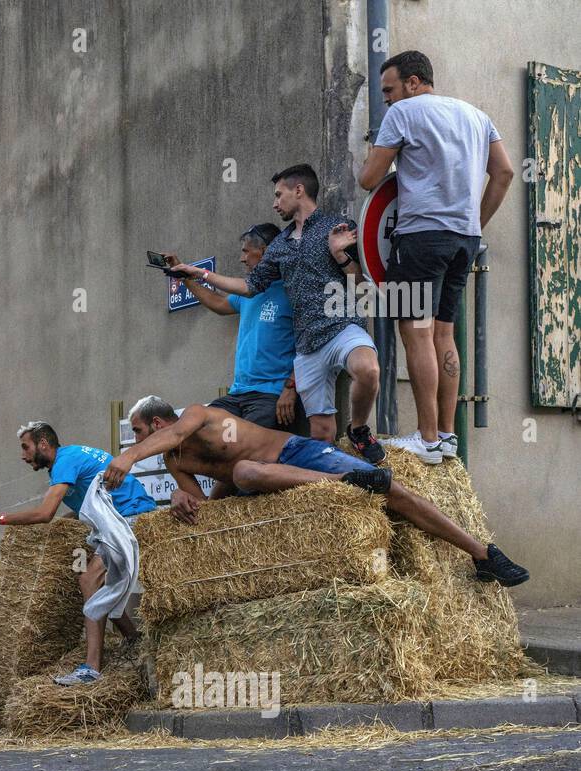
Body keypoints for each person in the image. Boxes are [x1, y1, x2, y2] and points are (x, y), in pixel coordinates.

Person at [104, 396, 527, 587]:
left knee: (395, 493)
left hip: (296, 453)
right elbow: (207, 507)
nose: (135, 442)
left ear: (157, 425)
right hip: (263, 479)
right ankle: (348, 485)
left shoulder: (195, 416)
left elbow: (177, 432)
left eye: (138, 433)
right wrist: (182, 499)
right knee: (246, 471)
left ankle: (483, 555)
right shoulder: (175, 461)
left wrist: (126, 460)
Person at [359, 49, 515, 464]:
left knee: (417, 332)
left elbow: (368, 179)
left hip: (420, 238)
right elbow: (504, 172)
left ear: (413, 82)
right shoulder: (477, 116)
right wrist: (475, 221)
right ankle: (446, 436)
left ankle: (426, 440)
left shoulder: (403, 114)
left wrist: (378, 151)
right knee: (444, 333)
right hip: (464, 240)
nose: (387, 100)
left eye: (389, 90)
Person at [172, 164, 386, 464]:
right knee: (321, 434)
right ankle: (329, 487)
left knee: (368, 369)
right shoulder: (279, 246)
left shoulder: (338, 227)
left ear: (299, 190)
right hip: (307, 345)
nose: (275, 204)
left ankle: (359, 429)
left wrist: (342, 256)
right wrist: (199, 273)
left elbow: (363, 290)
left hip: (342, 327)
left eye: (278, 195)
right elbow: (248, 287)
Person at [0, 421, 157, 685]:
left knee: (88, 579)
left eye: (25, 447)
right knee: (103, 584)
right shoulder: (68, 461)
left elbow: (44, 513)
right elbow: (82, 507)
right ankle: (133, 641)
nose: (23, 455)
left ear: (43, 444)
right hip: (122, 519)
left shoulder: (65, 461)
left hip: (131, 517)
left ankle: (91, 668)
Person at [164, 223, 306, 433]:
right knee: (200, 432)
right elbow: (220, 305)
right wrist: (184, 278)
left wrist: (290, 388)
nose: (242, 258)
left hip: (269, 395)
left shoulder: (292, 292)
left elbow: (309, 344)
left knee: (246, 453)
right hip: (237, 394)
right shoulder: (248, 292)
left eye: (246, 251)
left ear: (266, 252)